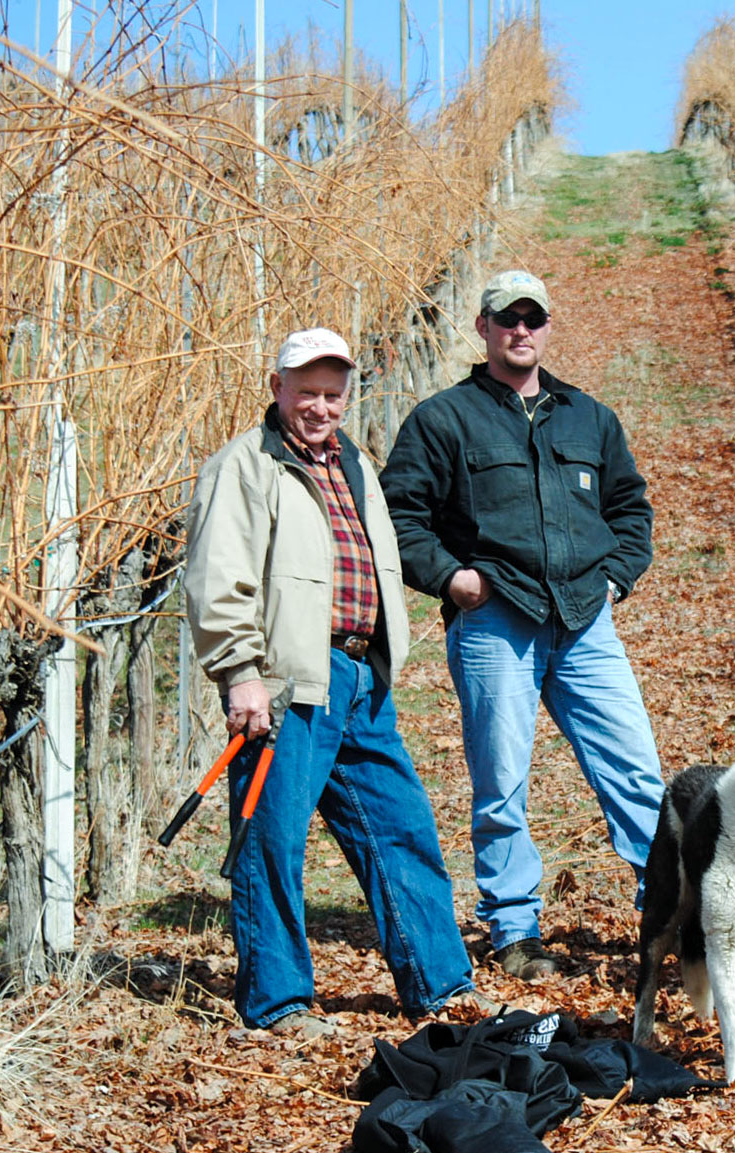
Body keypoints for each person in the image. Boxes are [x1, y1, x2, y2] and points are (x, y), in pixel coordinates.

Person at [185, 326, 481, 1036]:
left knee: (402, 831)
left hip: (360, 679)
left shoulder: (354, 462)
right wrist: (241, 675)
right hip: (287, 685)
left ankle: (443, 988)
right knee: (272, 841)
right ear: (277, 388)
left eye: (333, 394)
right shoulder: (244, 466)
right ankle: (278, 1003)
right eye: (307, 392)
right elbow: (219, 579)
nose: (320, 407)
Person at [380, 270, 666, 982]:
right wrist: (452, 578)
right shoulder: (443, 419)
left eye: (533, 319)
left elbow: (630, 509)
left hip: (585, 620)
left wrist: (614, 577)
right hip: (495, 622)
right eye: (507, 318)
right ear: (483, 327)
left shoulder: (588, 417)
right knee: (502, 783)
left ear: (547, 326)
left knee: (634, 770)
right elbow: (398, 516)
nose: (521, 330)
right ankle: (514, 928)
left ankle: (668, 910)